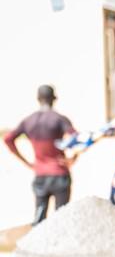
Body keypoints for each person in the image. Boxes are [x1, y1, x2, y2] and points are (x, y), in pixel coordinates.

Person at [3, 85, 77, 224]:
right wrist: (73, 158)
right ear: (54, 99)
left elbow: (8, 139)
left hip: (40, 174)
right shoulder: (59, 119)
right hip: (59, 173)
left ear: (38, 99)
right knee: (62, 219)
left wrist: (26, 162)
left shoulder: (28, 120)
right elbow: (78, 139)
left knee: (39, 219)